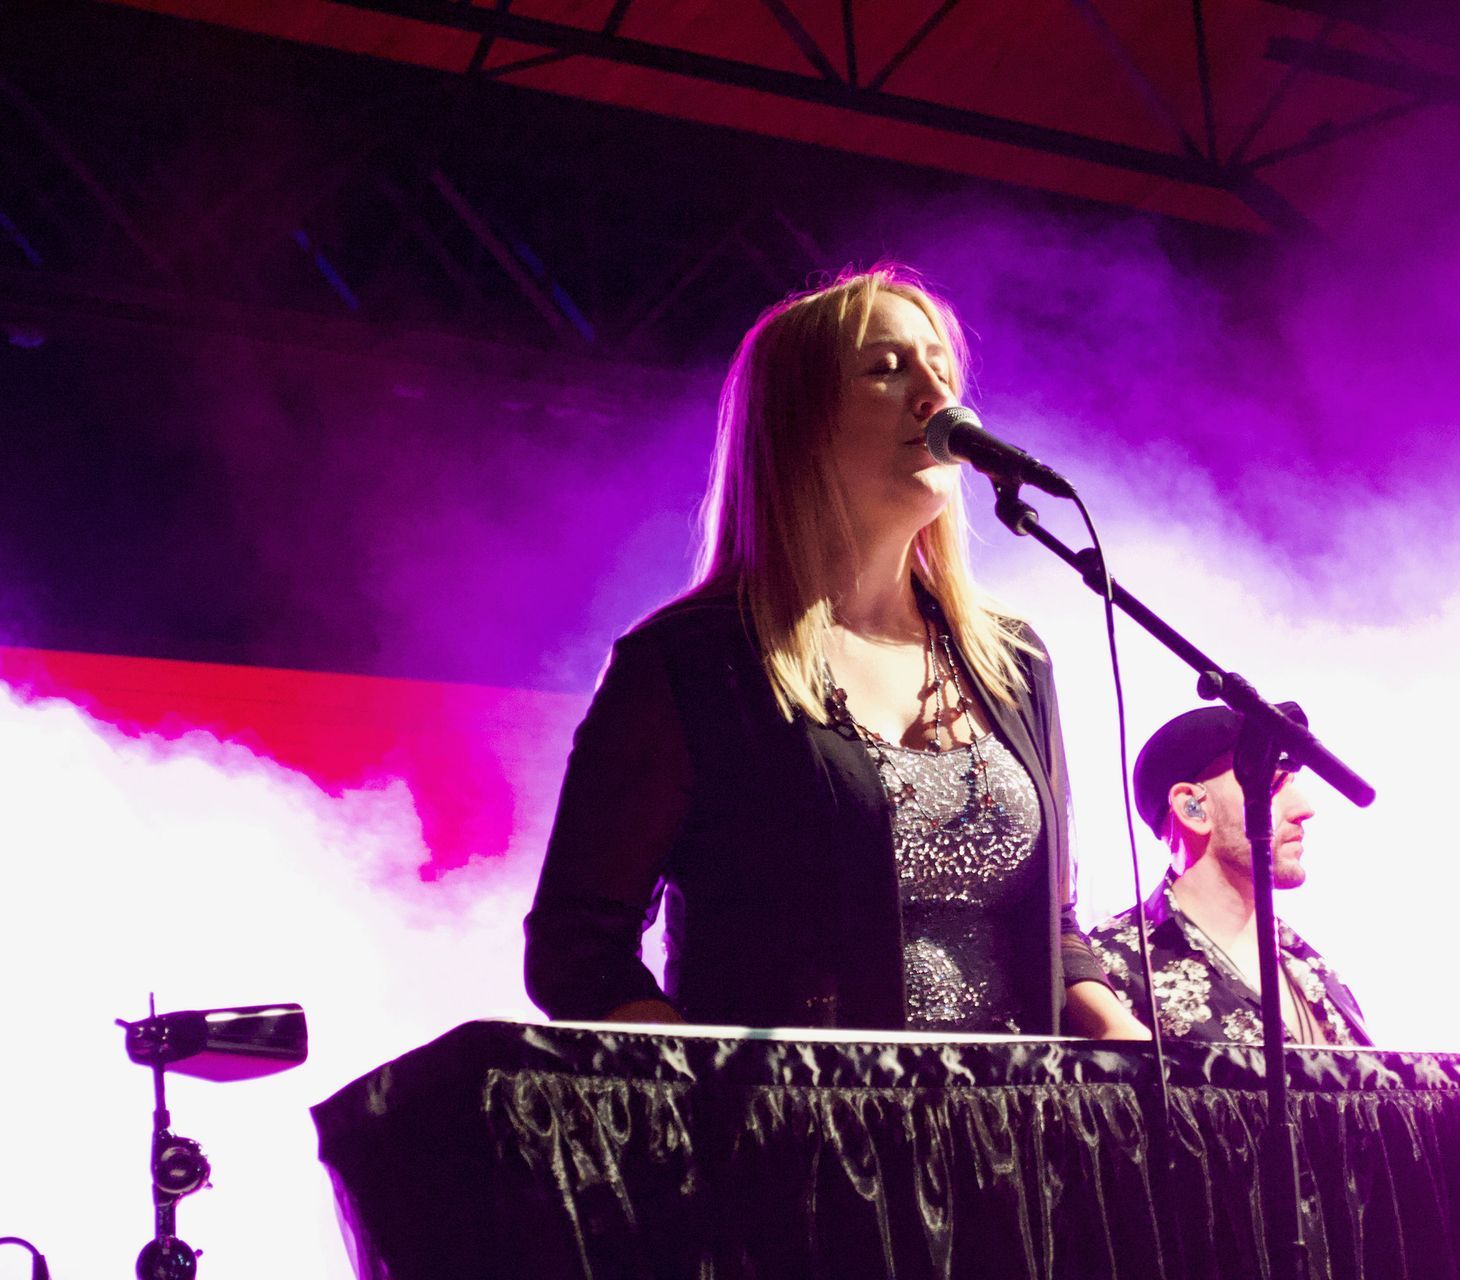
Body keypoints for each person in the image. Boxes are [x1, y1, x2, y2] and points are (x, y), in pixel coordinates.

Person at [523, 265, 1146, 1039]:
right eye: (887, 370)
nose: (935, 394)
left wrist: (1144, 1067)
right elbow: (578, 950)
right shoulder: (692, 661)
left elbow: (1056, 931)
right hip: (804, 1141)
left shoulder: (1011, 658)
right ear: (798, 423)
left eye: (941, 368)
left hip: (1013, 1135)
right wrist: (703, 1090)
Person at [1089, 706, 1372, 1046]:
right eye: (1272, 785)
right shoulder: (1110, 969)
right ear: (1192, 808)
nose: (1305, 808)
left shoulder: (1316, 971)